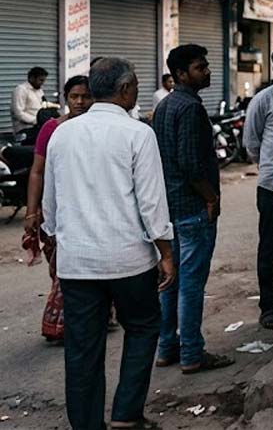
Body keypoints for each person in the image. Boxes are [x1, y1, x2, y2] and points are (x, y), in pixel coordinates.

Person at [42, 57, 176, 430]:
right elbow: (151, 203)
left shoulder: (62, 134)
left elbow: (49, 203)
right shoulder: (137, 133)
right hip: (129, 260)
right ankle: (126, 414)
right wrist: (166, 252)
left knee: (82, 348)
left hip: (78, 262)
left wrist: (55, 242)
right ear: (127, 89)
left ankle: (87, 425)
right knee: (144, 327)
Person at [151, 44, 233, 374]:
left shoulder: (166, 106)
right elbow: (189, 163)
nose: (208, 71)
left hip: (169, 207)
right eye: (201, 67)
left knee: (171, 280)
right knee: (190, 284)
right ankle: (191, 353)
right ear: (181, 74)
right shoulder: (190, 109)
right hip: (190, 208)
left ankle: (166, 346)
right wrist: (210, 197)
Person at [21, 75, 93, 343]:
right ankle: (60, 325)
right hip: (57, 214)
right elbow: (37, 172)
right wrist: (31, 212)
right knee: (62, 271)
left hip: (88, 213)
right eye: (74, 96)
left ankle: (85, 321)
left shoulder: (95, 129)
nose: (80, 102)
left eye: (85, 96)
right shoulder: (51, 129)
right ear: (65, 99)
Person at [243, 51, 273, 330]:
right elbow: (251, 142)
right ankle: (268, 307)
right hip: (272, 186)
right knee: (269, 246)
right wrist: (269, 166)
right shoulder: (264, 99)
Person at [11, 66, 48, 133]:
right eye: (41, 80)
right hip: (26, 129)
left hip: (39, 126)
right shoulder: (21, 90)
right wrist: (36, 121)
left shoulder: (39, 90)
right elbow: (18, 113)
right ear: (32, 78)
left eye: (44, 80)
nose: (42, 83)